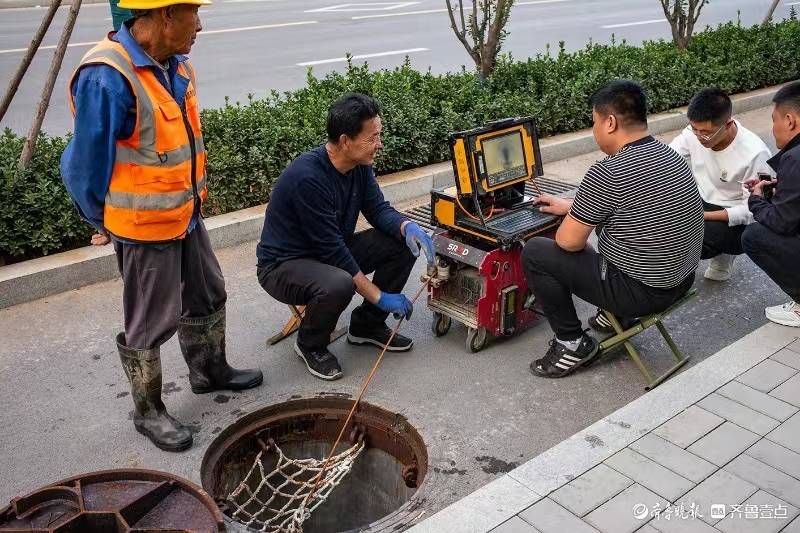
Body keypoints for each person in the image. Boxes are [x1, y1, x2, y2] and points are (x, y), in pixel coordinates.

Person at [60, 0, 263, 452]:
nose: (201, 24)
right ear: (166, 15)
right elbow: (83, 166)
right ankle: (148, 411)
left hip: (186, 215)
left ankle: (209, 370)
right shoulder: (108, 75)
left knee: (208, 291)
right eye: (193, 12)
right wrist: (104, 220)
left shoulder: (178, 65)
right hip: (143, 225)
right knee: (150, 321)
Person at [522, 80, 704, 378]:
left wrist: (576, 218)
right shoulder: (671, 156)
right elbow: (642, 206)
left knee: (537, 252)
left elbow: (567, 242)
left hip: (642, 293)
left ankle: (571, 343)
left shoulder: (609, 170)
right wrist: (573, 206)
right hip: (680, 281)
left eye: (593, 122)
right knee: (602, 242)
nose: (593, 130)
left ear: (609, 122)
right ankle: (615, 315)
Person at [256, 93, 435, 381]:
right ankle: (310, 344)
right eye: (372, 138)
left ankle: (366, 326)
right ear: (344, 141)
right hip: (283, 266)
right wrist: (380, 296)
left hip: (327, 252)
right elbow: (334, 253)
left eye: (379, 135)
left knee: (401, 243)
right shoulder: (308, 178)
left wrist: (407, 227)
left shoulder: (359, 166)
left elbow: (377, 209)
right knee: (339, 281)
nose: (379, 144)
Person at [669, 88, 773, 281]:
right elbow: (666, 159)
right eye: (695, 129)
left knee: (689, 236)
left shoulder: (755, 154)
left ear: (728, 124)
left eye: (706, 133)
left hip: (734, 216)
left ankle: (723, 253)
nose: (700, 137)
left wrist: (703, 216)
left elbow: (754, 211)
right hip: (701, 198)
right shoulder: (693, 133)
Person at [741, 81, 800, 327]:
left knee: (754, 236)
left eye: (774, 119)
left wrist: (755, 199)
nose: (773, 128)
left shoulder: (795, 158)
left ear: (790, 120)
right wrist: (780, 185)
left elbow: (781, 223)